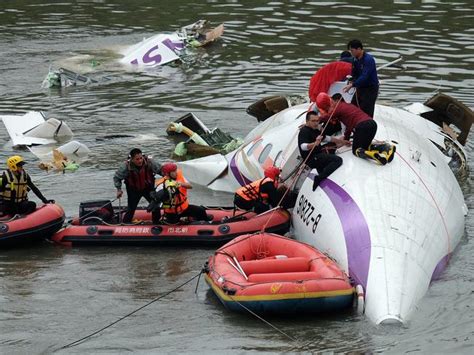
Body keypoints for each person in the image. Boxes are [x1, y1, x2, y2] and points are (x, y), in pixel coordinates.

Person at [316, 92, 395, 165]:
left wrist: (316, 119)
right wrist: (346, 139)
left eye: (332, 103)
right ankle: (386, 148)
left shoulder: (338, 107)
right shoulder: (350, 106)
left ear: (336, 101)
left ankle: (373, 155)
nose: (331, 106)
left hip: (362, 126)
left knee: (356, 150)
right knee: (365, 146)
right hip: (372, 124)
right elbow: (349, 126)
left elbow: (328, 116)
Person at [298, 111, 349, 191]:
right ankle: (318, 178)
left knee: (331, 145)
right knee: (338, 160)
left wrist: (343, 142)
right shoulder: (304, 131)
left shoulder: (315, 130)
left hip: (318, 154)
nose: (316, 123)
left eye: (317, 121)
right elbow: (303, 147)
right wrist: (314, 144)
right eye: (313, 121)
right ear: (307, 121)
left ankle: (322, 174)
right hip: (312, 158)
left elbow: (327, 138)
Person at [113, 148, 162, 224]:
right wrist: (119, 189)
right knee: (131, 209)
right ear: (132, 159)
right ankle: (125, 224)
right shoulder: (125, 167)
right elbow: (117, 177)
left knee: (155, 206)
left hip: (148, 189)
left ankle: (156, 223)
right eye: (137, 159)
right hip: (133, 190)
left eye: (141, 158)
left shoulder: (150, 163)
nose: (140, 161)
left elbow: (161, 170)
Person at [343, 39, 379, 117]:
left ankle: (367, 127)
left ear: (359, 49)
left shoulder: (368, 60)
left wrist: (353, 85)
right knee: (353, 107)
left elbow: (365, 76)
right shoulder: (355, 59)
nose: (351, 53)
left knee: (366, 111)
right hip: (360, 88)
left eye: (352, 51)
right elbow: (354, 72)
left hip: (370, 89)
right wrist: (351, 80)